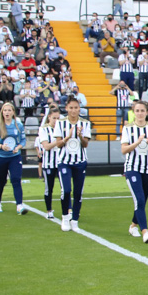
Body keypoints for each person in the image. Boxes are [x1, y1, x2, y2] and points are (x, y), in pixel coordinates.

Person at [121, 100, 148, 244]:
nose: (140, 113)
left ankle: (133, 226)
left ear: (147, 112)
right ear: (134, 112)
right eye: (137, 111)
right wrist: (137, 142)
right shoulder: (128, 128)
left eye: (142, 110)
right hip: (132, 168)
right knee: (140, 200)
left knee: (142, 201)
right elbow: (124, 150)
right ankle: (145, 232)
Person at [53, 97, 91, 232]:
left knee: (78, 192)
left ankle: (74, 220)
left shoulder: (85, 123)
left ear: (79, 108)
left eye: (76, 108)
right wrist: (68, 136)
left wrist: (80, 136)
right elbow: (58, 144)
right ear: (66, 108)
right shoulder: (60, 123)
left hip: (80, 162)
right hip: (64, 162)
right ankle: (65, 217)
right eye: (71, 108)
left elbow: (86, 144)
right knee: (66, 190)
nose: (74, 110)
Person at [0, 102, 28, 215]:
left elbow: (23, 141)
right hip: (1, 157)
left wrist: (18, 147)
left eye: (9, 110)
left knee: (16, 179)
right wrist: (1, 147)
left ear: (13, 112)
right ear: (2, 112)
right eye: (5, 110)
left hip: (15, 157)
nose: (7, 112)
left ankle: (19, 205)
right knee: (1, 182)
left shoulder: (18, 125)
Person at [37, 107, 62, 219]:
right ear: (49, 118)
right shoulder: (44, 129)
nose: (56, 120)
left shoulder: (62, 128)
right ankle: (49, 210)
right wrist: (58, 142)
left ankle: (68, 210)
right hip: (48, 163)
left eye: (58, 118)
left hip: (61, 162)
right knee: (49, 187)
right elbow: (46, 146)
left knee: (65, 187)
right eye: (54, 118)